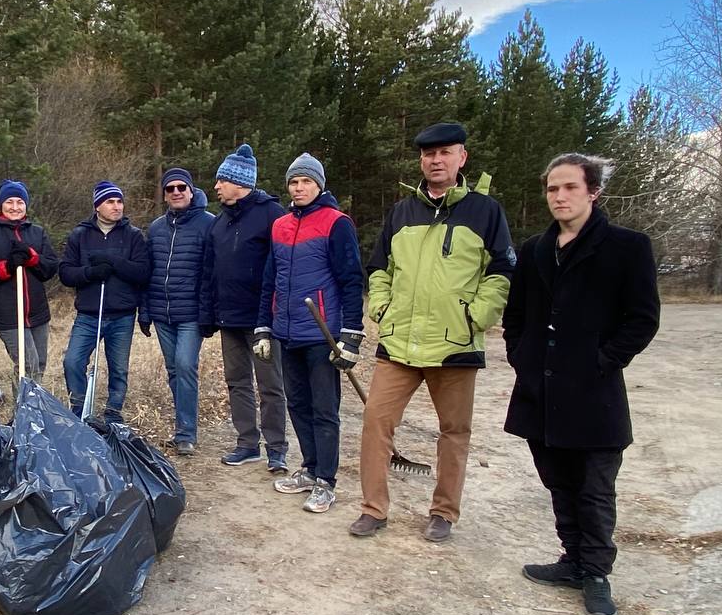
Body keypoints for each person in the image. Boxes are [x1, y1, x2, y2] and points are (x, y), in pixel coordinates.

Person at [503, 153, 660, 615]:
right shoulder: (534, 250)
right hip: (541, 392)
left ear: (593, 191)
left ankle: (595, 573)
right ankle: (571, 559)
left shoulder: (627, 247)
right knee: (558, 482)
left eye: (570, 187)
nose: (560, 196)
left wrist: (602, 362)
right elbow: (516, 316)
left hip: (594, 396)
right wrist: (522, 358)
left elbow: (642, 319)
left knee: (594, 489)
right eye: (553, 189)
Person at [352, 122, 515, 542]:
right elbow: (379, 267)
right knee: (375, 422)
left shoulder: (485, 211)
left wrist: (474, 317)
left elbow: (500, 272)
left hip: (455, 346)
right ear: (421, 161)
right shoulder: (402, 212)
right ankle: (373, 509)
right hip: (399, 343)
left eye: (445, 153)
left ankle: (443, 512)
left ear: (462, 158)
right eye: (428, 154)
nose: (435, 160)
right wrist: (383, 308)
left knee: (454, 432)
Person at [253, 153, 363, 513]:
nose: (299, 188)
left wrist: (351, 334)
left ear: (319, 185)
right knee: (297, 404)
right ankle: (309, 468)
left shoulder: (336, 223)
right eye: (294, 182)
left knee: (324, 408)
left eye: (306, 182)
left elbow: (351, 280)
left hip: (322, 333)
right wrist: (264, 327)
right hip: (287, 332)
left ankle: (326, 482)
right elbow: (271, 280)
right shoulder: (280, 225)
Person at [201, 143, 289, 472]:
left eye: (221, 181)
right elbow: (210, 272)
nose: (217, 187)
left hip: (263, 320)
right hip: (229, 319)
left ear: (239, 183)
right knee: (237, 382)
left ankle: (276, 448)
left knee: (270, 385)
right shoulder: (219, 223)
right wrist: (209, 315)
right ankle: (247, 443)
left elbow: (283, 267)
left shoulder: (272, 215)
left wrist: (274, 314)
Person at [139, 167, 216, 456]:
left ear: (192, 190)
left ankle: (187, 434)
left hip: (191, 315)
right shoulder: (157, 227)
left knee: (185, 365)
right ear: (164, 194)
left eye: (181, 187)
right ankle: (182, 427)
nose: (176, 192)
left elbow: (211, 274)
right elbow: (148, 273)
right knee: (174, 370)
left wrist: (208, 313)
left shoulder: (209, 224)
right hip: (162, 314)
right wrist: (145, 311)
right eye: (170, 188)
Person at [59, 181, 150, 423]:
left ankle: (113, 411)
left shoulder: (134, 236)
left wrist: (114, 262)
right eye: (110, 201)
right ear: (97, 206)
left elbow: (143, 273)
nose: (117, 206)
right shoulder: (80, 235)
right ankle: (78, 409)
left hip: (122, 314)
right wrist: (90, 273)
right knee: (73, 361)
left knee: (118, 368)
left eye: (119, 201)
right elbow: (66, 273)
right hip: (89, 314)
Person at [0, 179, 60, 380]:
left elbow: (51, 267)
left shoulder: (37, 232)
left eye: (20, 202)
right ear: (0, 205)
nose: (15, 207)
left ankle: (33, 408)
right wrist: (7, 267)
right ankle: (22, 410)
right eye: (9, 202)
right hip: (7, 313)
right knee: (29, 364)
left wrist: (32, 258)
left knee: (40, 363)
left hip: (37, 312)